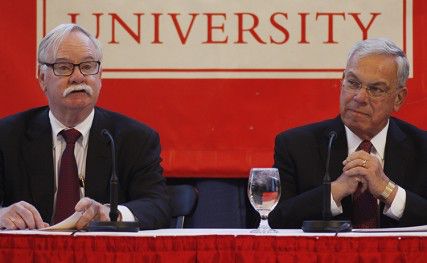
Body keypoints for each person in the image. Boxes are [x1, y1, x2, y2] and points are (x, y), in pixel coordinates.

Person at [0, 24, 171, 230]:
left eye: (88, 66)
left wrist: (111, 214)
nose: (78, 77)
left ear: (100, 77)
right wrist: (1, 215)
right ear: (43, 78)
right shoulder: (7, 137)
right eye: (63, 67)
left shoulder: (135, 139)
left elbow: (157, 206)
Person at [269, 38, 427, 229]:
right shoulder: (296, 146)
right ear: (342, 81)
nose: (359, 97)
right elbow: (272, 222)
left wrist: (387, 190)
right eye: (353, 83)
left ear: (399, 98)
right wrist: (336, 190)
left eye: (375, 89)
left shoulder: (422, 148)